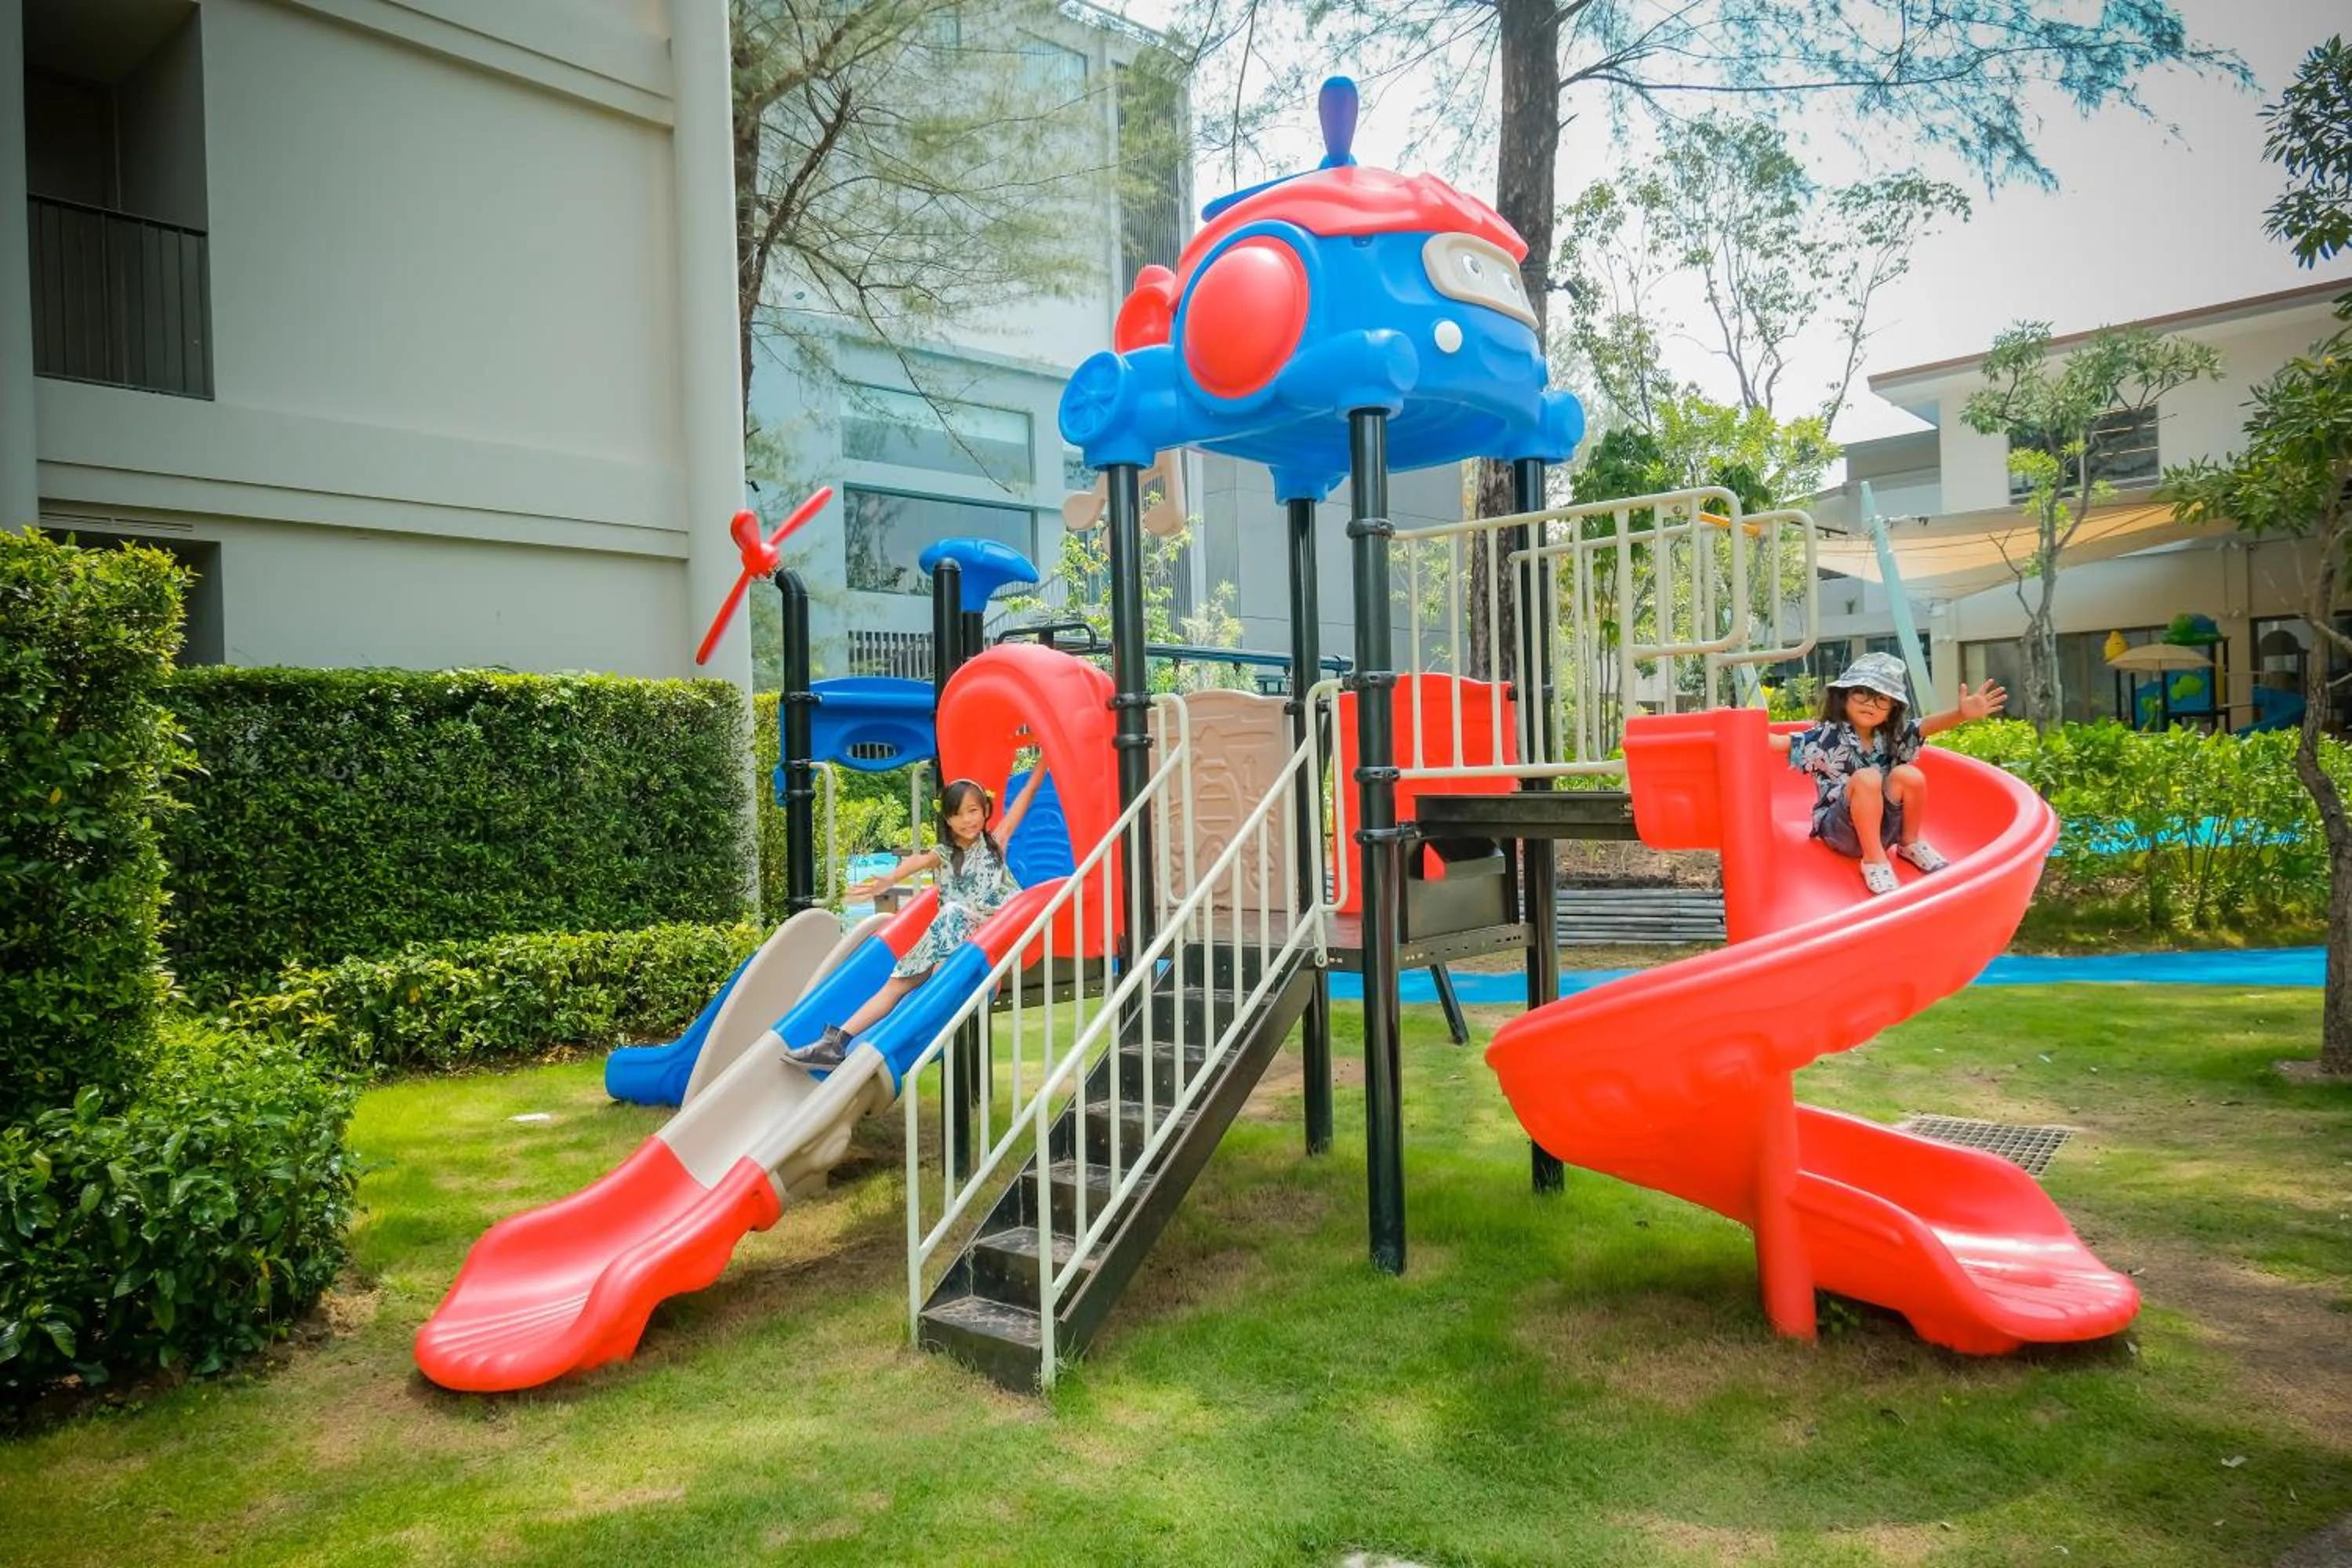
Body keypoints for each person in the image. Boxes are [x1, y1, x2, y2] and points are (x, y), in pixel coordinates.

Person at [785, 764, 1047, 1070]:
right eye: (958, 814)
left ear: (986, 810)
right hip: (945, 939)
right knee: (894, 986)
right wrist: (888, 880)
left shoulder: (995, 844)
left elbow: (1025, 797)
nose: (967, 820)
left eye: (973, 811)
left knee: (951, 914)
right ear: (947, 819)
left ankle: (940, 985)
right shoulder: (945, 854)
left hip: (983, 939)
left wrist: (1043, 761)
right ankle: (836, 1042)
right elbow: (917, 862)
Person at [1768, 652, 2006, 897]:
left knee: (1909, 775)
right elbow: (1777, 743)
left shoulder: (1891, 736)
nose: (1870, 704)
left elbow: (1926, 726)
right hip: (1841, 830)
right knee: (1868, 777)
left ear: (1892, 708)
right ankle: (1874, 861)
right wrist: (1734, 726)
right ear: (1844, 697)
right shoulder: (1826, 736)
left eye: (1881, 699)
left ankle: (1909, 843)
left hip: (1883, 827)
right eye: (1862, 693)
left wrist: (1961, 714)